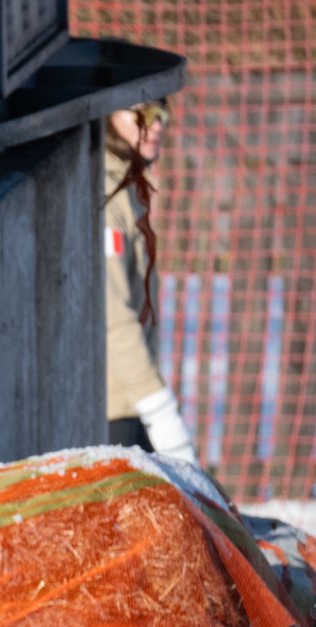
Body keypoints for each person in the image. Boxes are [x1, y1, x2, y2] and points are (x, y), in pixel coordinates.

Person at [104, 98, 196, 462]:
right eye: (142, 113)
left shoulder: (126, 187)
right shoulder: (106, 195)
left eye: (162, 113)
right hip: (113, 405)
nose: (157, 124)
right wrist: (158, 407)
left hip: (130, 401)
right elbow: (113, 315)